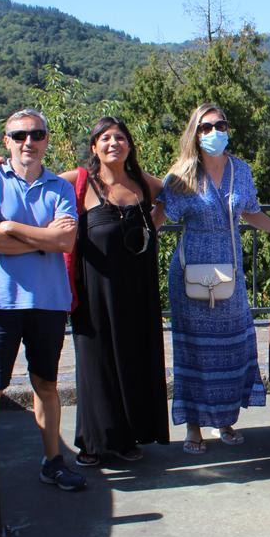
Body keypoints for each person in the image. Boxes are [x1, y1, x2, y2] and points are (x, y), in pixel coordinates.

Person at [160, 103, 270, 454]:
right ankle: (193, 426)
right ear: (195, 132)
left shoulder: (241, 170)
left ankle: (225, 420)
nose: (213, 132)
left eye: (219, 125)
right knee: (194, 351)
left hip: (229, 271)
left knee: (232, 344)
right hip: (190, 271)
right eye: (205, 127)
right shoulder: (182, 175)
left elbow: (250, 212)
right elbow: (159, 213)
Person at [0, 107, 85, 509]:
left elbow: (66, 243)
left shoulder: (60, 187)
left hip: (47, 303)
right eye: (18, 136)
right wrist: (44, 237)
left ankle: (53, 461)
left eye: (35, 134)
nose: (27, 142)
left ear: (46, 139)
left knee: (46, 386)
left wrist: (13, 228)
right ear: (6, 141)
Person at [59, 117, 169, 467]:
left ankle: (127, 437)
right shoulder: (79, 182)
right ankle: (92, 442)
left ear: (129, 145)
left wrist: (156, 221)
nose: (113, 143)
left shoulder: (141, 184)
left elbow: (175, 191)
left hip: (137, 289)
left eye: (120, 137)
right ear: (94, 147)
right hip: (95, 291)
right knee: (96, 364)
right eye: (105, 138)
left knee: (133, 359)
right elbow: (36, 182)